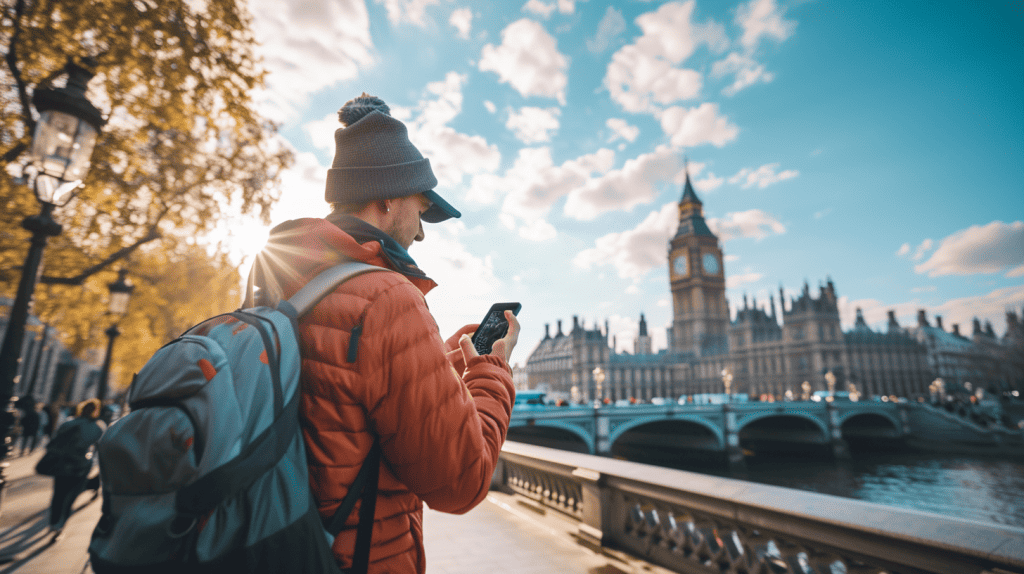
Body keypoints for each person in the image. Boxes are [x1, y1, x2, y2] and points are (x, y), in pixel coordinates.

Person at [246, 93, 519, 573]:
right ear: (388, 199)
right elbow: (461, 480)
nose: (421, 232)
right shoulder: (388, 298)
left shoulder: (277, 281)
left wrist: (448, 364)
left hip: (274, 544)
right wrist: (493, 371)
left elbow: (349, 392)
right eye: (421, 208)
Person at [45, 398, 105, 543]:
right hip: (81, 465)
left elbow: (55, 440)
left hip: (62, 463)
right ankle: (60, 525)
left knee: (58, 494)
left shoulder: (69, 423)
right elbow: (101, 447)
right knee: (70, 497)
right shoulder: (98, 426)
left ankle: (53, 523)